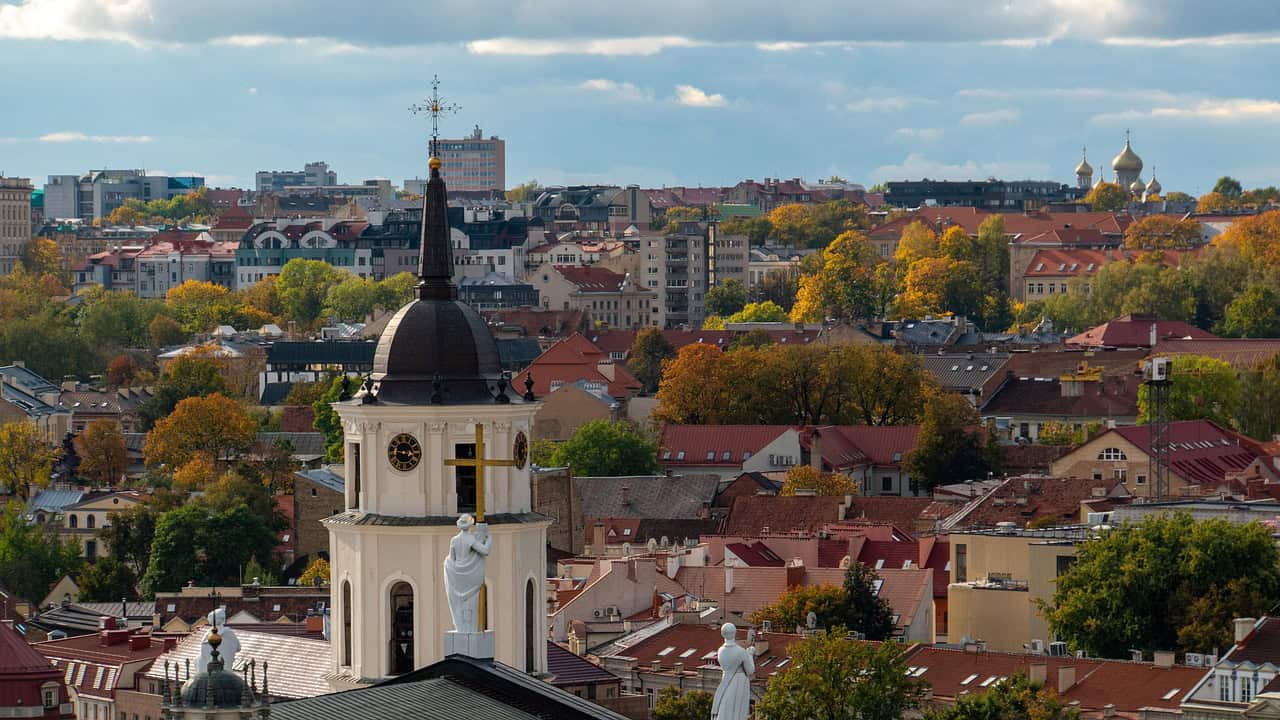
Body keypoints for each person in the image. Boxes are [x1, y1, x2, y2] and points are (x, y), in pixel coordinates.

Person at [443, 514, 491, 632]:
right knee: (470, 605)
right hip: (469, 577)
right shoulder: (470, 539)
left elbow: (452, 558)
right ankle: (469, 628)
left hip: (457, 576)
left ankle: (461, 627)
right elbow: (485, 551)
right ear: (471, 525)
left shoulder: (454, 540)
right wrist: (489, 540)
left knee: (458, 605)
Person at [711, 622, 754, 720]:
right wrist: (750, 654)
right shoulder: (741, 652)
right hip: (739, 682)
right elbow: (750, 670)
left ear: (723, 634)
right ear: (735, 633)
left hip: (726, 682)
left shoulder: (720, 650)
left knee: (726, 706)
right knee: (736, 710)